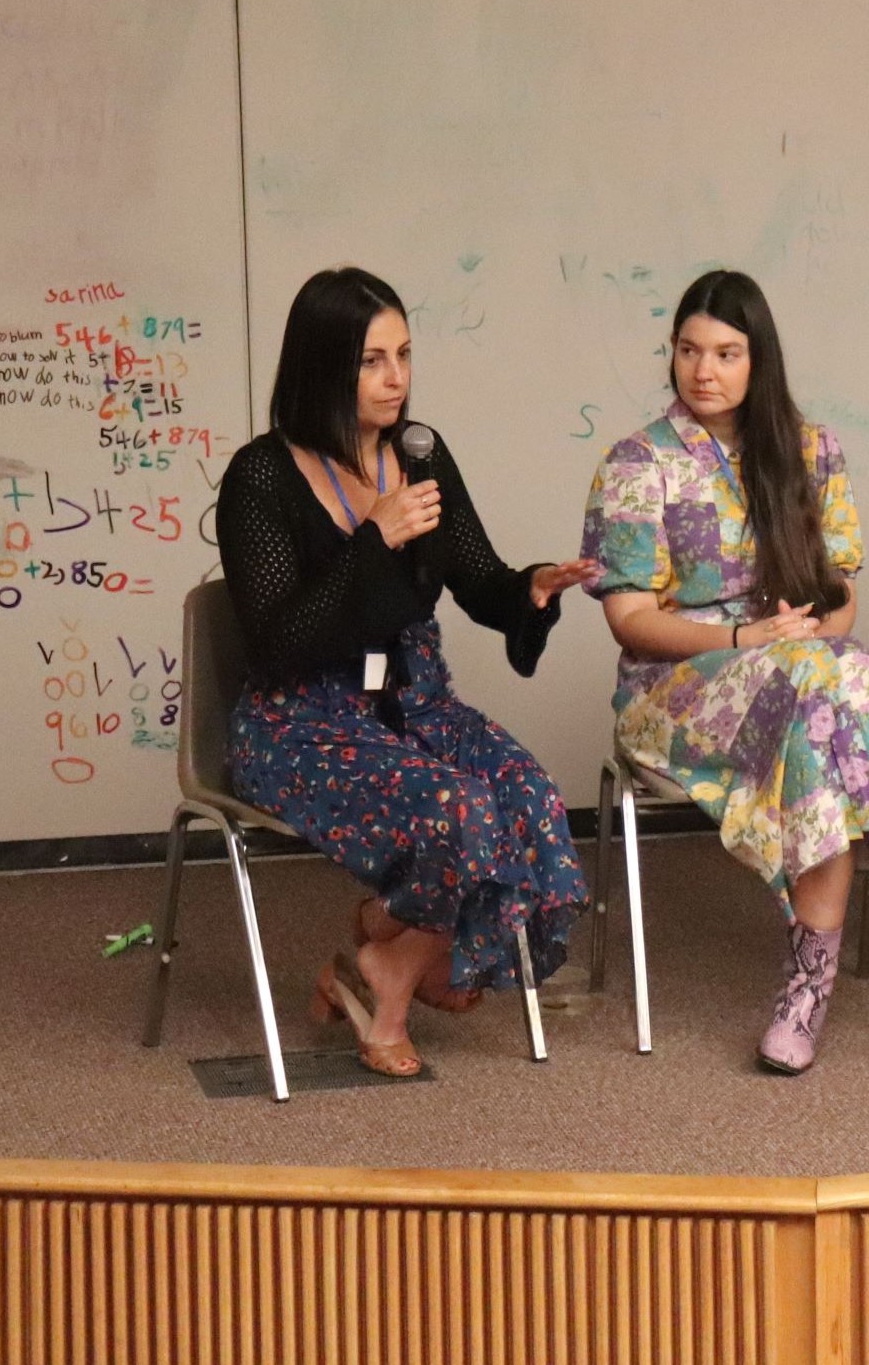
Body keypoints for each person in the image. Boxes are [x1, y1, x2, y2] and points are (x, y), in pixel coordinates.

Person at [583, 269, 869, 1074]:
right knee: (834, 679)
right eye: (688, 351)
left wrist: (793, 643)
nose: (704, 371)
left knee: (826, 698)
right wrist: (745, 641)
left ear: (759, 360)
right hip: (672, 694)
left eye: (727, 353)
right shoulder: (638, 462)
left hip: (798, 682)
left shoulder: (810, 449)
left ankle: (810, 989)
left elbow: (839, 604)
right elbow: (629, 620)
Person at [217, 267, 595, 1078]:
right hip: (301, 721)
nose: (397, 380)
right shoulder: (259, 478)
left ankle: (387, 940)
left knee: (528, 796)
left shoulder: (420, 453)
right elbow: (279, 642)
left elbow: (478, 577)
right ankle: (387, 982)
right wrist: (372, 541)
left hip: (416, 704)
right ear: (322, 365)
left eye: (405, 355)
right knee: (459, 811)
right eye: (372, 361)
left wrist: (529, 588)